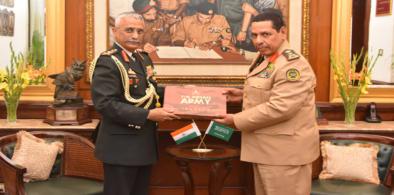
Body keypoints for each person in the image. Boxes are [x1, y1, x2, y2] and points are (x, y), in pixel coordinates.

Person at [214, 9, 319, 195]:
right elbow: (269, 90)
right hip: (269, 151)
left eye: (266, 34)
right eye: (254, 35)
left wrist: (235, 120)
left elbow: (280, 108)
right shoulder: (267, 57)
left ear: (283, 32)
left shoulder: (292, 65)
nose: (258, 41)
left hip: (284, 155)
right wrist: (242, 94)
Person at [89, 12, 180, 195]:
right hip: (121, 147)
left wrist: (183, 92)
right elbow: (105, 104)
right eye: (129, 30)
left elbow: (151, 91)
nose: (136, 36)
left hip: (143, 144)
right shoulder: (108, 61)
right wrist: (148, 115)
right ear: (115, 31)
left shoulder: (142, 58)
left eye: (140, 31)